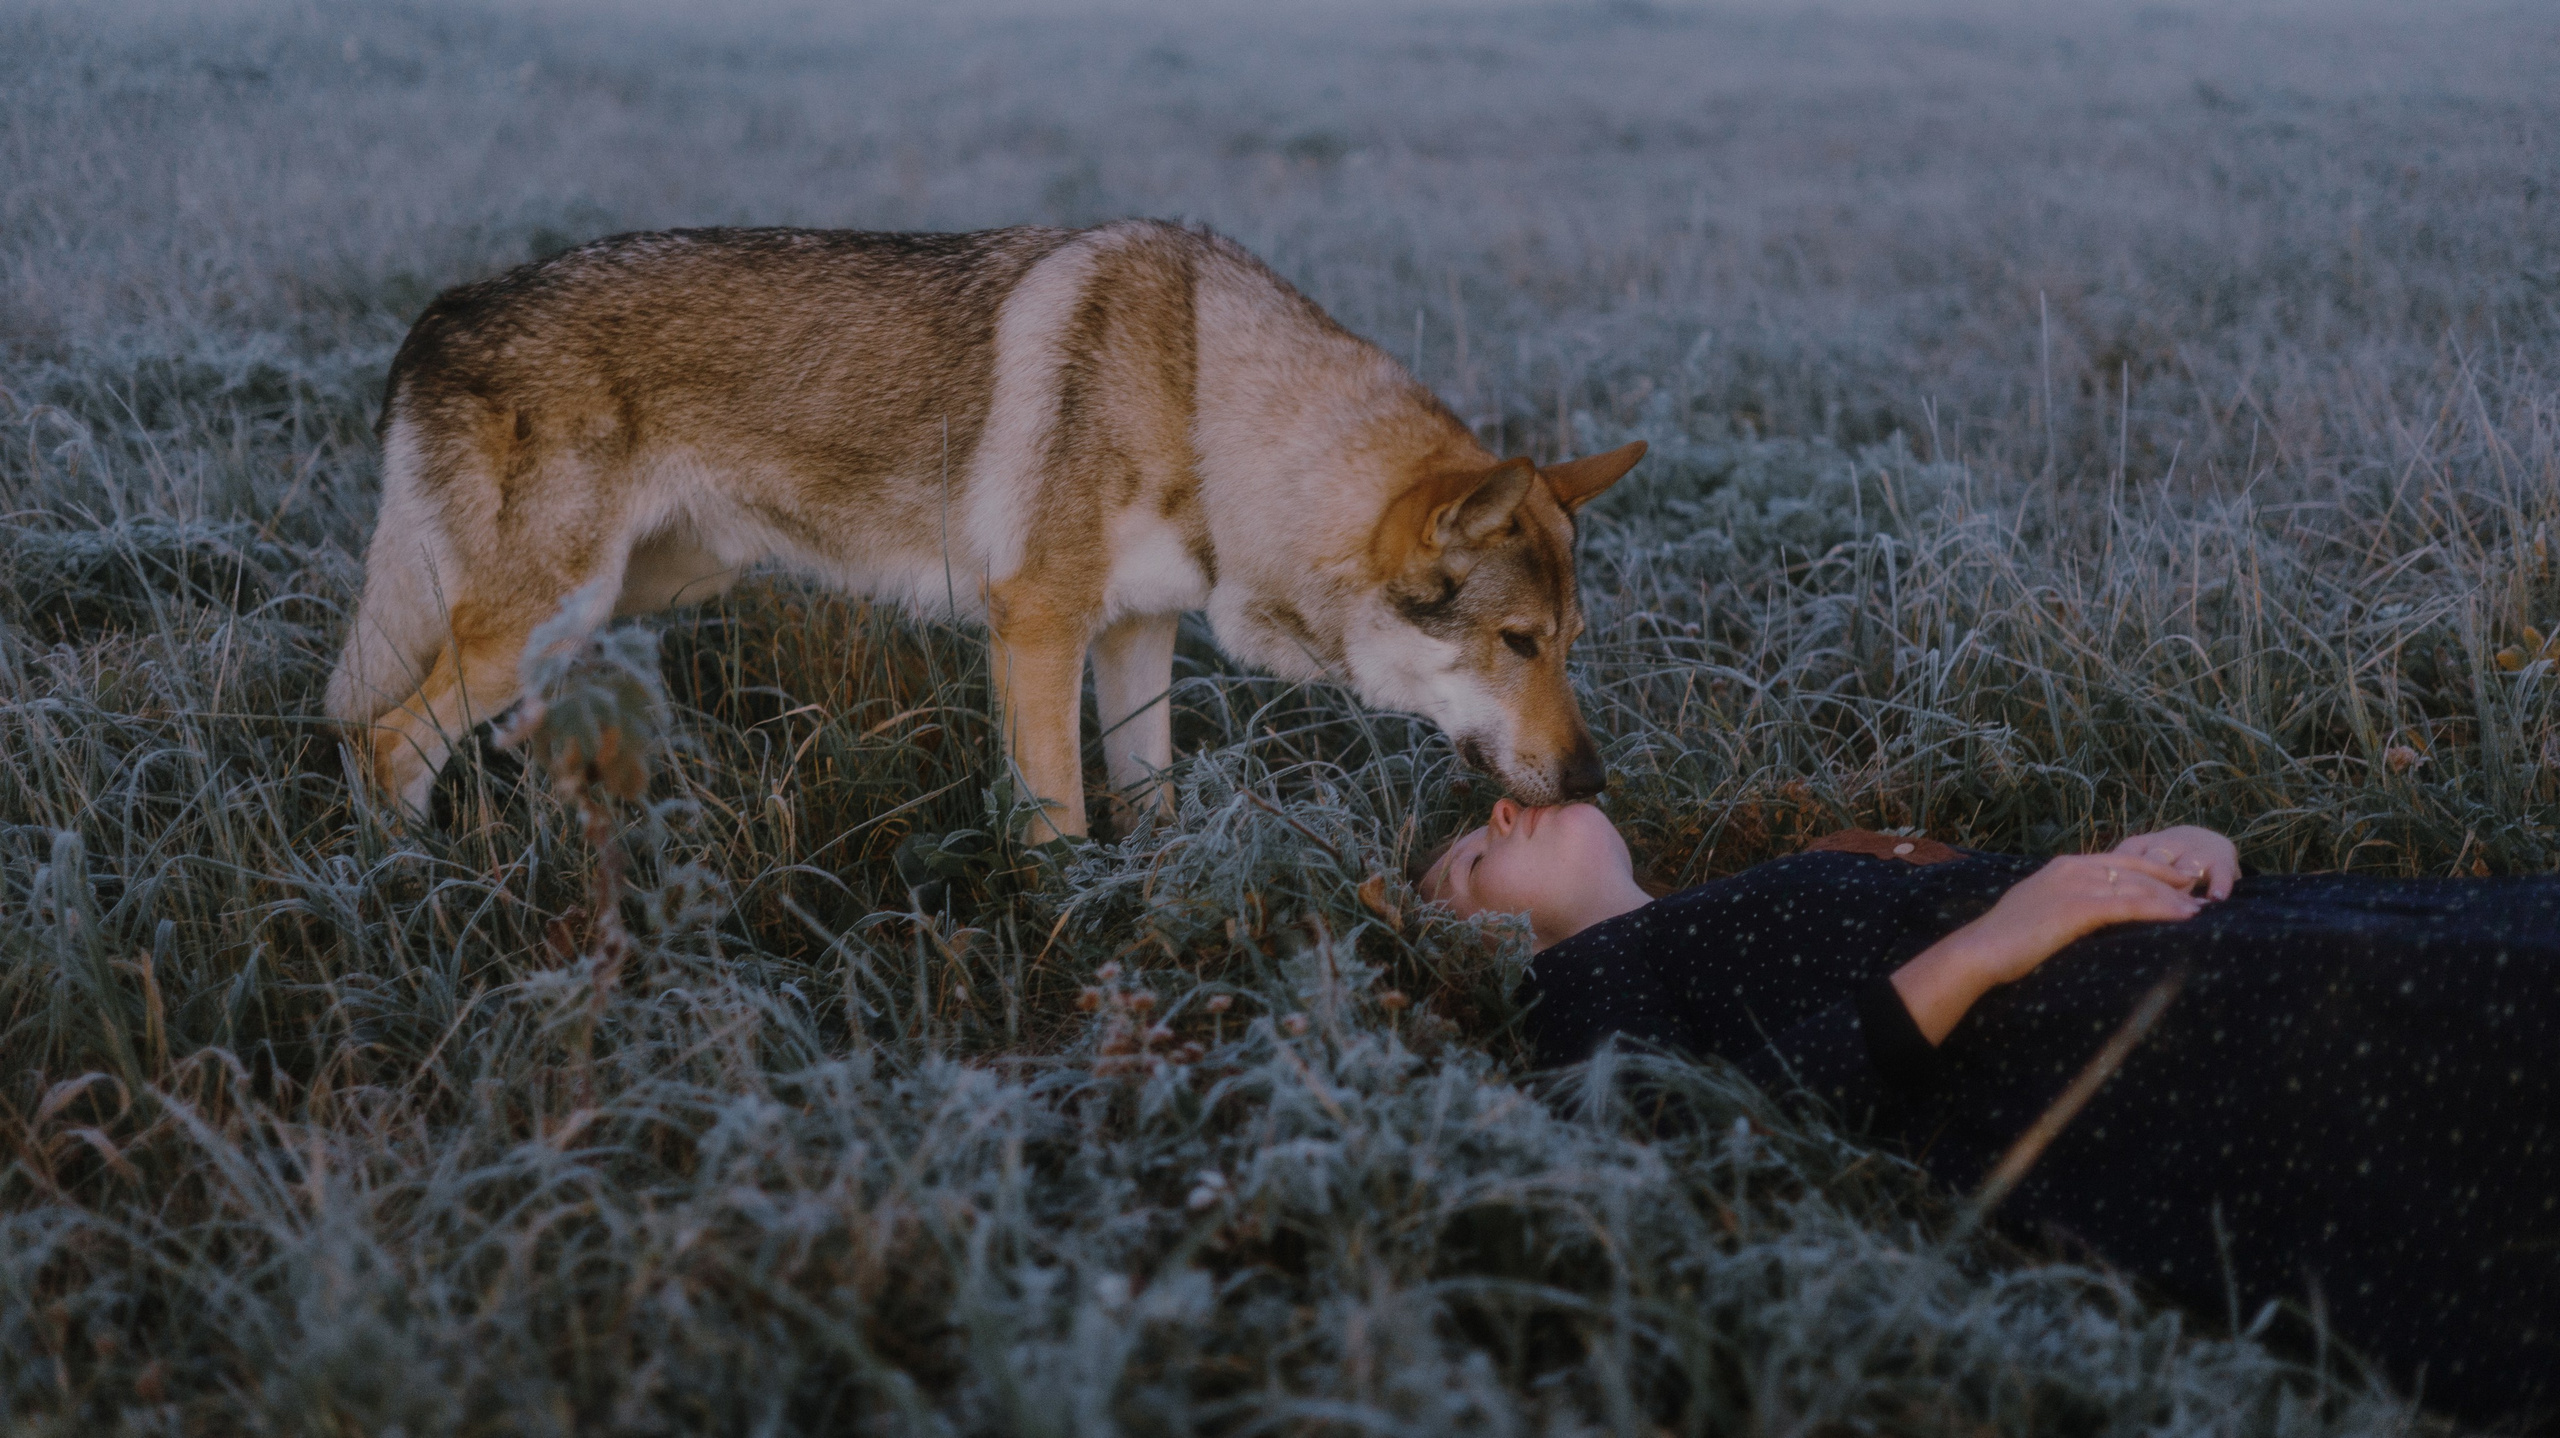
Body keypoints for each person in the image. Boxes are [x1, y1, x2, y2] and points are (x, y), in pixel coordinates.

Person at [1419, 799, 2560, 1429]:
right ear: (1479, 939)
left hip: (2153, 947)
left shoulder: (1746, 885)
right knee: (2452, 1033)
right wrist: (1981, 952)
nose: (1501, 812)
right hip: (2066, 1042)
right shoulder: (1577, 977)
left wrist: (2165, 854)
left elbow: (2013, 883)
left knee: (2463, 954)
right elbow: (1692, 1139)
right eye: (1471, 859)